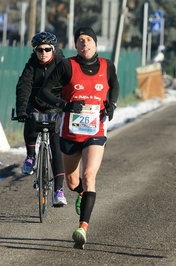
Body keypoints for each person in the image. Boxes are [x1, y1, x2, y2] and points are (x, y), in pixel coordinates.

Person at [38, 27, 119, 249]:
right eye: (81, 41)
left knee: (89, 174)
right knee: (73, 181)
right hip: (70, 133)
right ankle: (82, 194)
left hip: (95, 131)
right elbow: (44, 92)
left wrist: (111, 104)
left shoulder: (106, 65)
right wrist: (65, 105)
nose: (85, 44)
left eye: (89, 40)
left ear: (95, 43)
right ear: (76, 45)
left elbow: (114, 85)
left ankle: (82, 227)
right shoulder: (66, 66)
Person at [15, 31, 67, 207]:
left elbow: (70, 85)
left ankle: (59, 191)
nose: (43, 53)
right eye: (39, 50)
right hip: (35, 104)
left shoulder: (62, 64)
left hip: (55, 107)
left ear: (53, 49)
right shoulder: (31, 66)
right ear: (35, 51)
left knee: (56, 146)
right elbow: (23, 88)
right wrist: (22, 110)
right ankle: (30, 156)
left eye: (46, 49)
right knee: (30, 118)